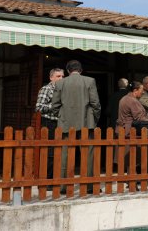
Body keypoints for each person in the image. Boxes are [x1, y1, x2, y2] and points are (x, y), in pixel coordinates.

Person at [51, 60, 101, 194]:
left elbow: (55, 105)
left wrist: (62, 116)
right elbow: (95, 103)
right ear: (81, 70)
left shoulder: (60, 83)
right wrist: (94, 118)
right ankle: (89, 186)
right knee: (87, 154)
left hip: (66, 122)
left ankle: (63, 186)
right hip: (86, 122)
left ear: (68, 71)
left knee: (65, 154)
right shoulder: (90, 81)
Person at [35, 68, 64, 182]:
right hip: (50, 123)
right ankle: (48, 180)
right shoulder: (46, 89)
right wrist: (55, 105)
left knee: (61, 151)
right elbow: (39, 107)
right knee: (51, 152)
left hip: (62, 123)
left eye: (62, 76)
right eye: (58, 76)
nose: (61, 78)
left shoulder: (64, 89)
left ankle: (57, 179)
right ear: (51, 77)